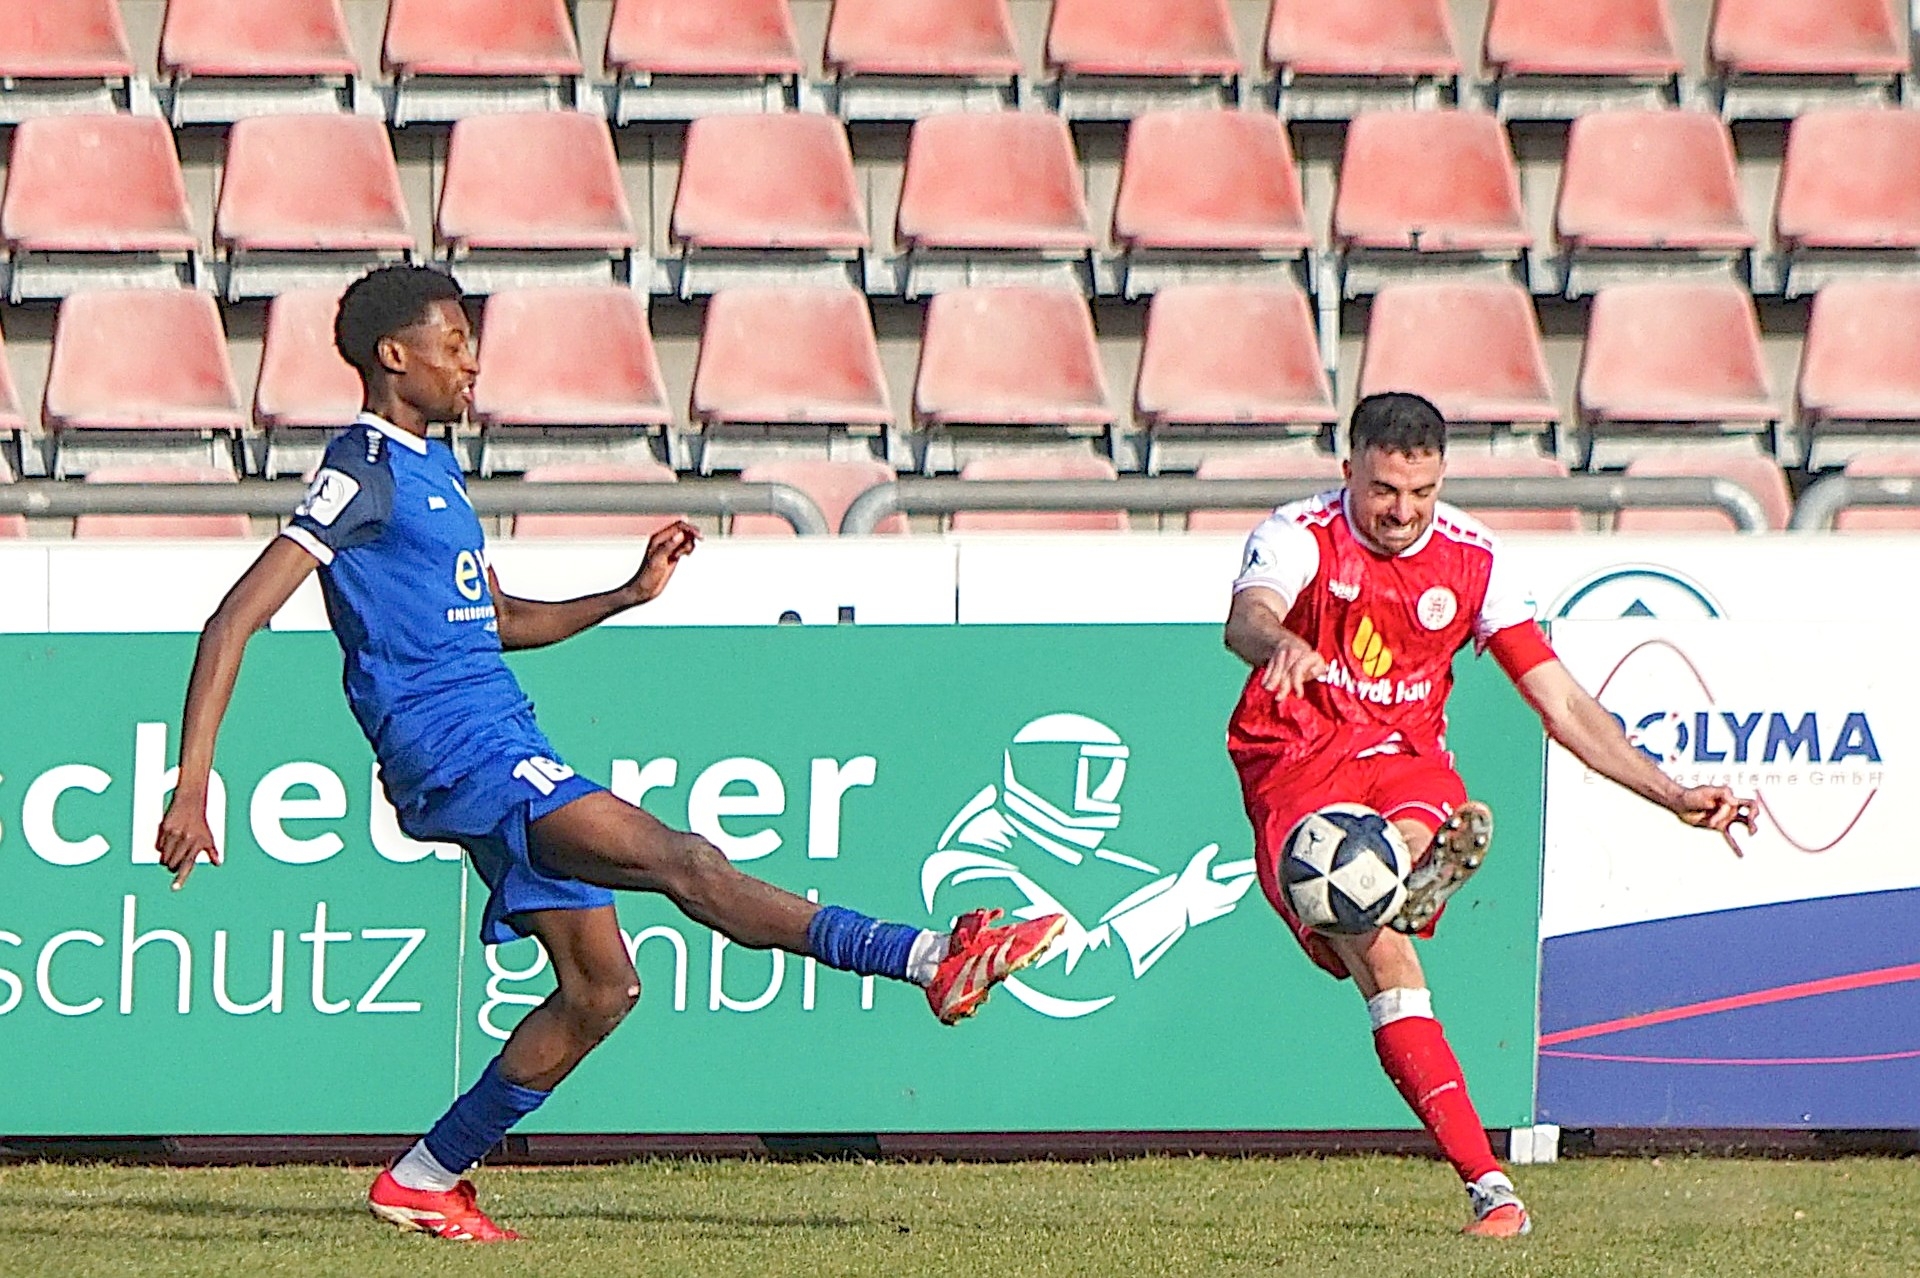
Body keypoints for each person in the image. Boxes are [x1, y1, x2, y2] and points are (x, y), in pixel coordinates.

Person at [155, 265, 1066, 1243]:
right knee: (685, 861)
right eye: (454, 344)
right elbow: (234, 616)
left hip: (503, 732)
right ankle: (929, 956)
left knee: (601, 989)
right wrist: (193, 783)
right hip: (457, 751)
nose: (473, 362)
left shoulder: (431, 467)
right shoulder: (363, 469)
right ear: (395, 357)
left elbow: (496, 617)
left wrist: (626, 594)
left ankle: (424, 1177)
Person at [1222, 392, 1755, 1238]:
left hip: (1406, 762)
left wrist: (1672, 793)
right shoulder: (1299, 534)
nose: (1403, 512)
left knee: (1388, 922)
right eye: (1385, 490)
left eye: (1422, 493)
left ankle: (1493, 1193)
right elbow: (1248, 615)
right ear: (1347, 469)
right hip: (1295, 763)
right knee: (1375, 944)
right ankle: (1394, 884)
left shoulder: (1473, 559)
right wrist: (1281, 641)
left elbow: (1563, 704)